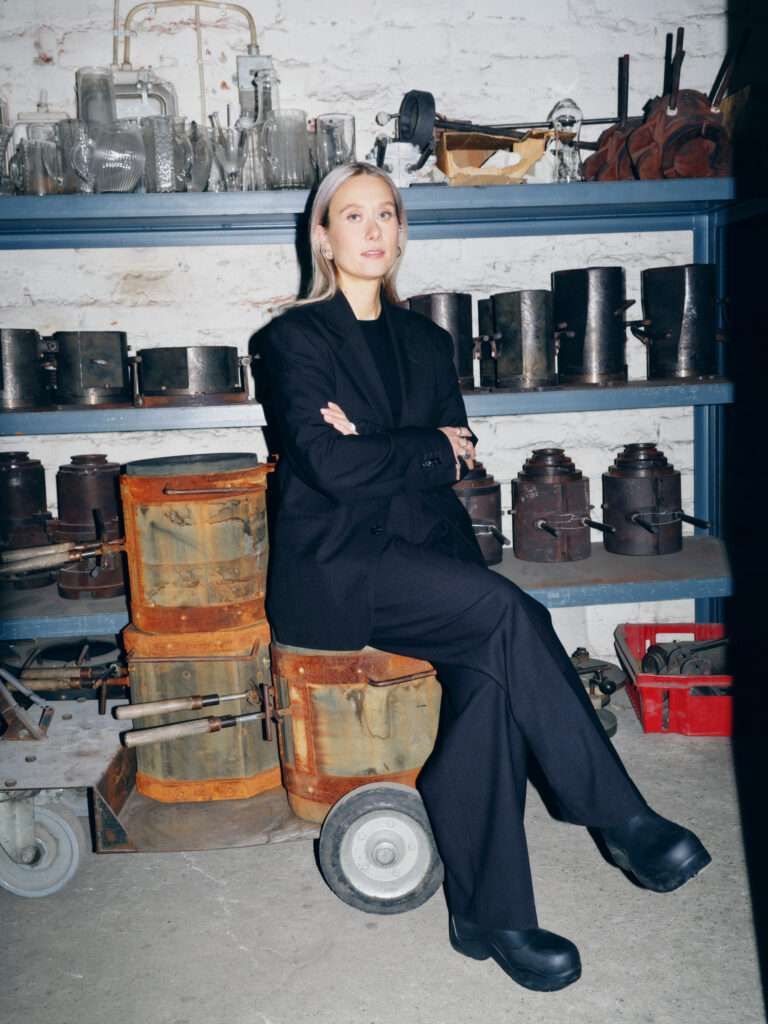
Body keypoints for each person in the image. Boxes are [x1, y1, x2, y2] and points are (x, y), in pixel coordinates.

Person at [259, 162, 711, 993]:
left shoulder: (428, 341)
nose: (372, 230)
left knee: (496, 684)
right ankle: (619, 817)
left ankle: (488, 917)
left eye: (386, 214)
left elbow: (453, 458)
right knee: (510, 617)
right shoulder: (294, 339)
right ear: (322, 237)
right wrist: (419, 446)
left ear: (401, 232)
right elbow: (329, 466)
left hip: (430, 557)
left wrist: (384, 446)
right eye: (352, 215)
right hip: (340, 568)